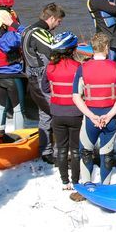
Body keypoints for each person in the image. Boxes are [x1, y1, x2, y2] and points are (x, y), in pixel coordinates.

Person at [72, 33, 116, 184]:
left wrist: (91, 116)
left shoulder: (83, 69)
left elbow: (76, 96)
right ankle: (105, 187)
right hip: (109, 118)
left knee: (85, 152)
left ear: (93, 48)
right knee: (107, 155)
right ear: (107, 48)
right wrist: (109, 116)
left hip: (91, 118)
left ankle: (86, 185)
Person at [22, 2, 65, 164]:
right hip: (40, 78)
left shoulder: (28, 29)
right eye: (58, 22)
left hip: (34, 78)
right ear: (52, 18)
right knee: (54, 113)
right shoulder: (40, 33)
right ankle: (51, 152)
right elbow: (54, 50)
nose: (57, 25)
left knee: (45, 114)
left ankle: (46, 150)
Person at [44, 32, 81, 190]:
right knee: (75, 148)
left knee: (61, 147)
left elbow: (44, 87)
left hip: (57, 113)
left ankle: (64, 181)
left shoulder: (50, 67)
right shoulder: (78, 67)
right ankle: (76, 180)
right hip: (75, 113)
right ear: (72, 50)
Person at [0, 10, 26, 135]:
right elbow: (27, 34)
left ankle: (0, 132)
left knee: (1, 106)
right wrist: (14, 24)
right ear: (3, 24)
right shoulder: (8, 38)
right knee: (18, 109)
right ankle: (20, 135)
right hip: (12, 77)